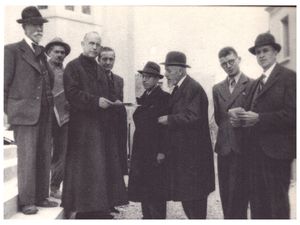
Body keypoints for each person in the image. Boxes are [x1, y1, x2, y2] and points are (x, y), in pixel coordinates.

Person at [61, 31, 128, 219]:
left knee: (101, 167)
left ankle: (99, 209)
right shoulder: (72, 67)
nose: (94, 47)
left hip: (102, 127)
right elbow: (72, 94)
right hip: (82, 128)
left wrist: (115, 103)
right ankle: (82, 208)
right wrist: (95, 101)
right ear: (82, 44)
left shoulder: (100, 69)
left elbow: (108, 93)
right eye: (91, 43)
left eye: (97, 44)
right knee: (85, 168)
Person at [230, 33, 296, 218]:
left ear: (275, 52)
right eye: (258, 52)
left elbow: (293, 116)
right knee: (258, 206)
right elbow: (251, 115)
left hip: (277, 154)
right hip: (254, 155)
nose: (261, 55)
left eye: (265, 50)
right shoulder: (255, 83)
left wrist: (259, 118)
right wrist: (239, 120)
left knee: (277, 206)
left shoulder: (289, 78)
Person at [4, 6, 58, 215]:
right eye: (35, 25)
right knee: (27, 158)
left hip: (44, 112)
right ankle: (27, 201)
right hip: (24, 113)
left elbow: (49, 80)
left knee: (44, 155)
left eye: (41, 25)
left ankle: (41, 197)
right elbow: (4, 84)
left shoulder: (42, 52)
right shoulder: (12, 50)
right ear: (24, 27)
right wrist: (8, 111)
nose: (39, 29)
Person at [158, 51, 215, 219]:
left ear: (181, 71)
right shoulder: (180, 88)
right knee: (188, 199)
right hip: (186, 158)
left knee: (195, 202)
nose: (165, 74)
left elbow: (194, 116)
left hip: (194, 159)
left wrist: (169, 119)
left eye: (168, 70)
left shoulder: (193, 88)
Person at [213, 47, 253, 218]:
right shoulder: (217, 88)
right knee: (226, 195)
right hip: (224, 148)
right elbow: (219, 118)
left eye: (231, 61)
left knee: (241, 196)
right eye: (224, 64)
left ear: (239, 59)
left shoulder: (252, 84)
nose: (228, 66)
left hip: (243, 148)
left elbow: (255, 116)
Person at [128, 61, 170, 219]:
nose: (144, 80)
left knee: (157, 192)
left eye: (149, 77)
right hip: (142, 152)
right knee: (144, 191)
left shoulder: (164, 98)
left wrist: (162, 151)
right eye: (143, 76)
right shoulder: (144, 98)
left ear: (157, 79)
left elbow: (166, 129)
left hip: (155, 152)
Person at [45, 37, 71, 199]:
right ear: (48, 52)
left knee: (62, 152)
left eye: (62, 53)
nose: (60, 55)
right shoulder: (42, 69)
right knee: (44, 152)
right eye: (56, 52)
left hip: (64, 117)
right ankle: (39, 186)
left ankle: (54, 186)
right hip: (45, 116)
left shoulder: (68, 72)